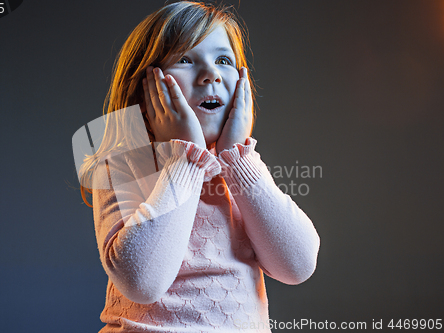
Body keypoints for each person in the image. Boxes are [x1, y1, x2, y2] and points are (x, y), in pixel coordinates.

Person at [78, 1, 320, 332]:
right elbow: (143, 282)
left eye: (224, 60)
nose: (211, 74)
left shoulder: (240, 169)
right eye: (186, 60)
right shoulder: (120, 165)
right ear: (146, 88)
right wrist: (185, 160)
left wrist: (237, 158)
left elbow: (297, 265)